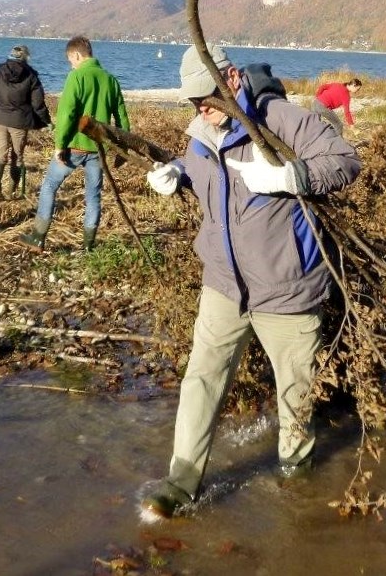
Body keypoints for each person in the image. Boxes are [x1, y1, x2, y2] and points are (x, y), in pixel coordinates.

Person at [140, 44, 362, 519]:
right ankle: (180, 484)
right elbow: (206, 178)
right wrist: (179, 174)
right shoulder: (201, 133)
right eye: (193, 102)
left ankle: (295, 483)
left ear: (233, 78)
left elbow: (345, 161)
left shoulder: (279, 118)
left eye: (209, 97)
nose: (202, 108)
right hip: (223, 284)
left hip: (287, 287)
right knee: (200, 379)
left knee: (295, 394)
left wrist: (290, 176)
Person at [20, 35, 129, 251]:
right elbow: (122, 118)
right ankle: (88, 246)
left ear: (77, 55)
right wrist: (122, 148)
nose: (71, 64)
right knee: (93, 196)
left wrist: (59, 145)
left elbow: (66, 114)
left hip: (73, 147)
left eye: (71, 59)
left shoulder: (76, 77)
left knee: (50, 186)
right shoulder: (111, 80)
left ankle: (38, 237)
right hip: (98, 149)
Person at [0, 44, 53, 199]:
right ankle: (12, 192)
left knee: (0, 155)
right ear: (26, 57)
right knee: (17, 157)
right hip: (20, 121)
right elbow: (37, 103)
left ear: (10, 54)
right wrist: (47, 121)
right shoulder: (32, 76)